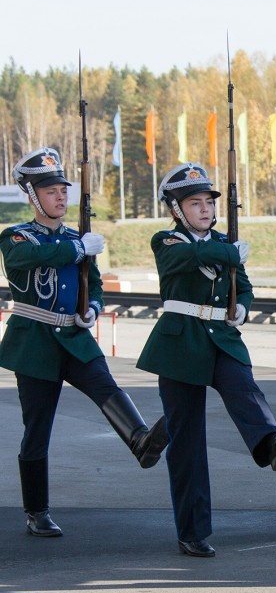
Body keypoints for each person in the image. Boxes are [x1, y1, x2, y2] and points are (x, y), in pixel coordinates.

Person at [1, 147, 168, 538]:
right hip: (35, 343)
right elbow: (26, 258)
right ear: (32, 195)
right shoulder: (16, 236)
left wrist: (92, 307)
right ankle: (37, 510)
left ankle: (141, 439)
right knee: (37, 428)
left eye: (63, 190)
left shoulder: (78, 239)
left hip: (74, 338)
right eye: (50, 191)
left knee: (105, 385)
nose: (60, 197)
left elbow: (92, 284)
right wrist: (78, 249)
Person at [136, 163, 276, 558]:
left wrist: (242, 306)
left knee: (244, 386)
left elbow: (243, 286)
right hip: (180, 343)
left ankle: (270, 442)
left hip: (222, 338)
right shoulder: (167, 241)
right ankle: (192, 531)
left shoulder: (225, 242)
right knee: (187, 439)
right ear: (177, 209)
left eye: (209, 202)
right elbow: (195, 256)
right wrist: (229, 252)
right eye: (195, 203)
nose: (206, 209)